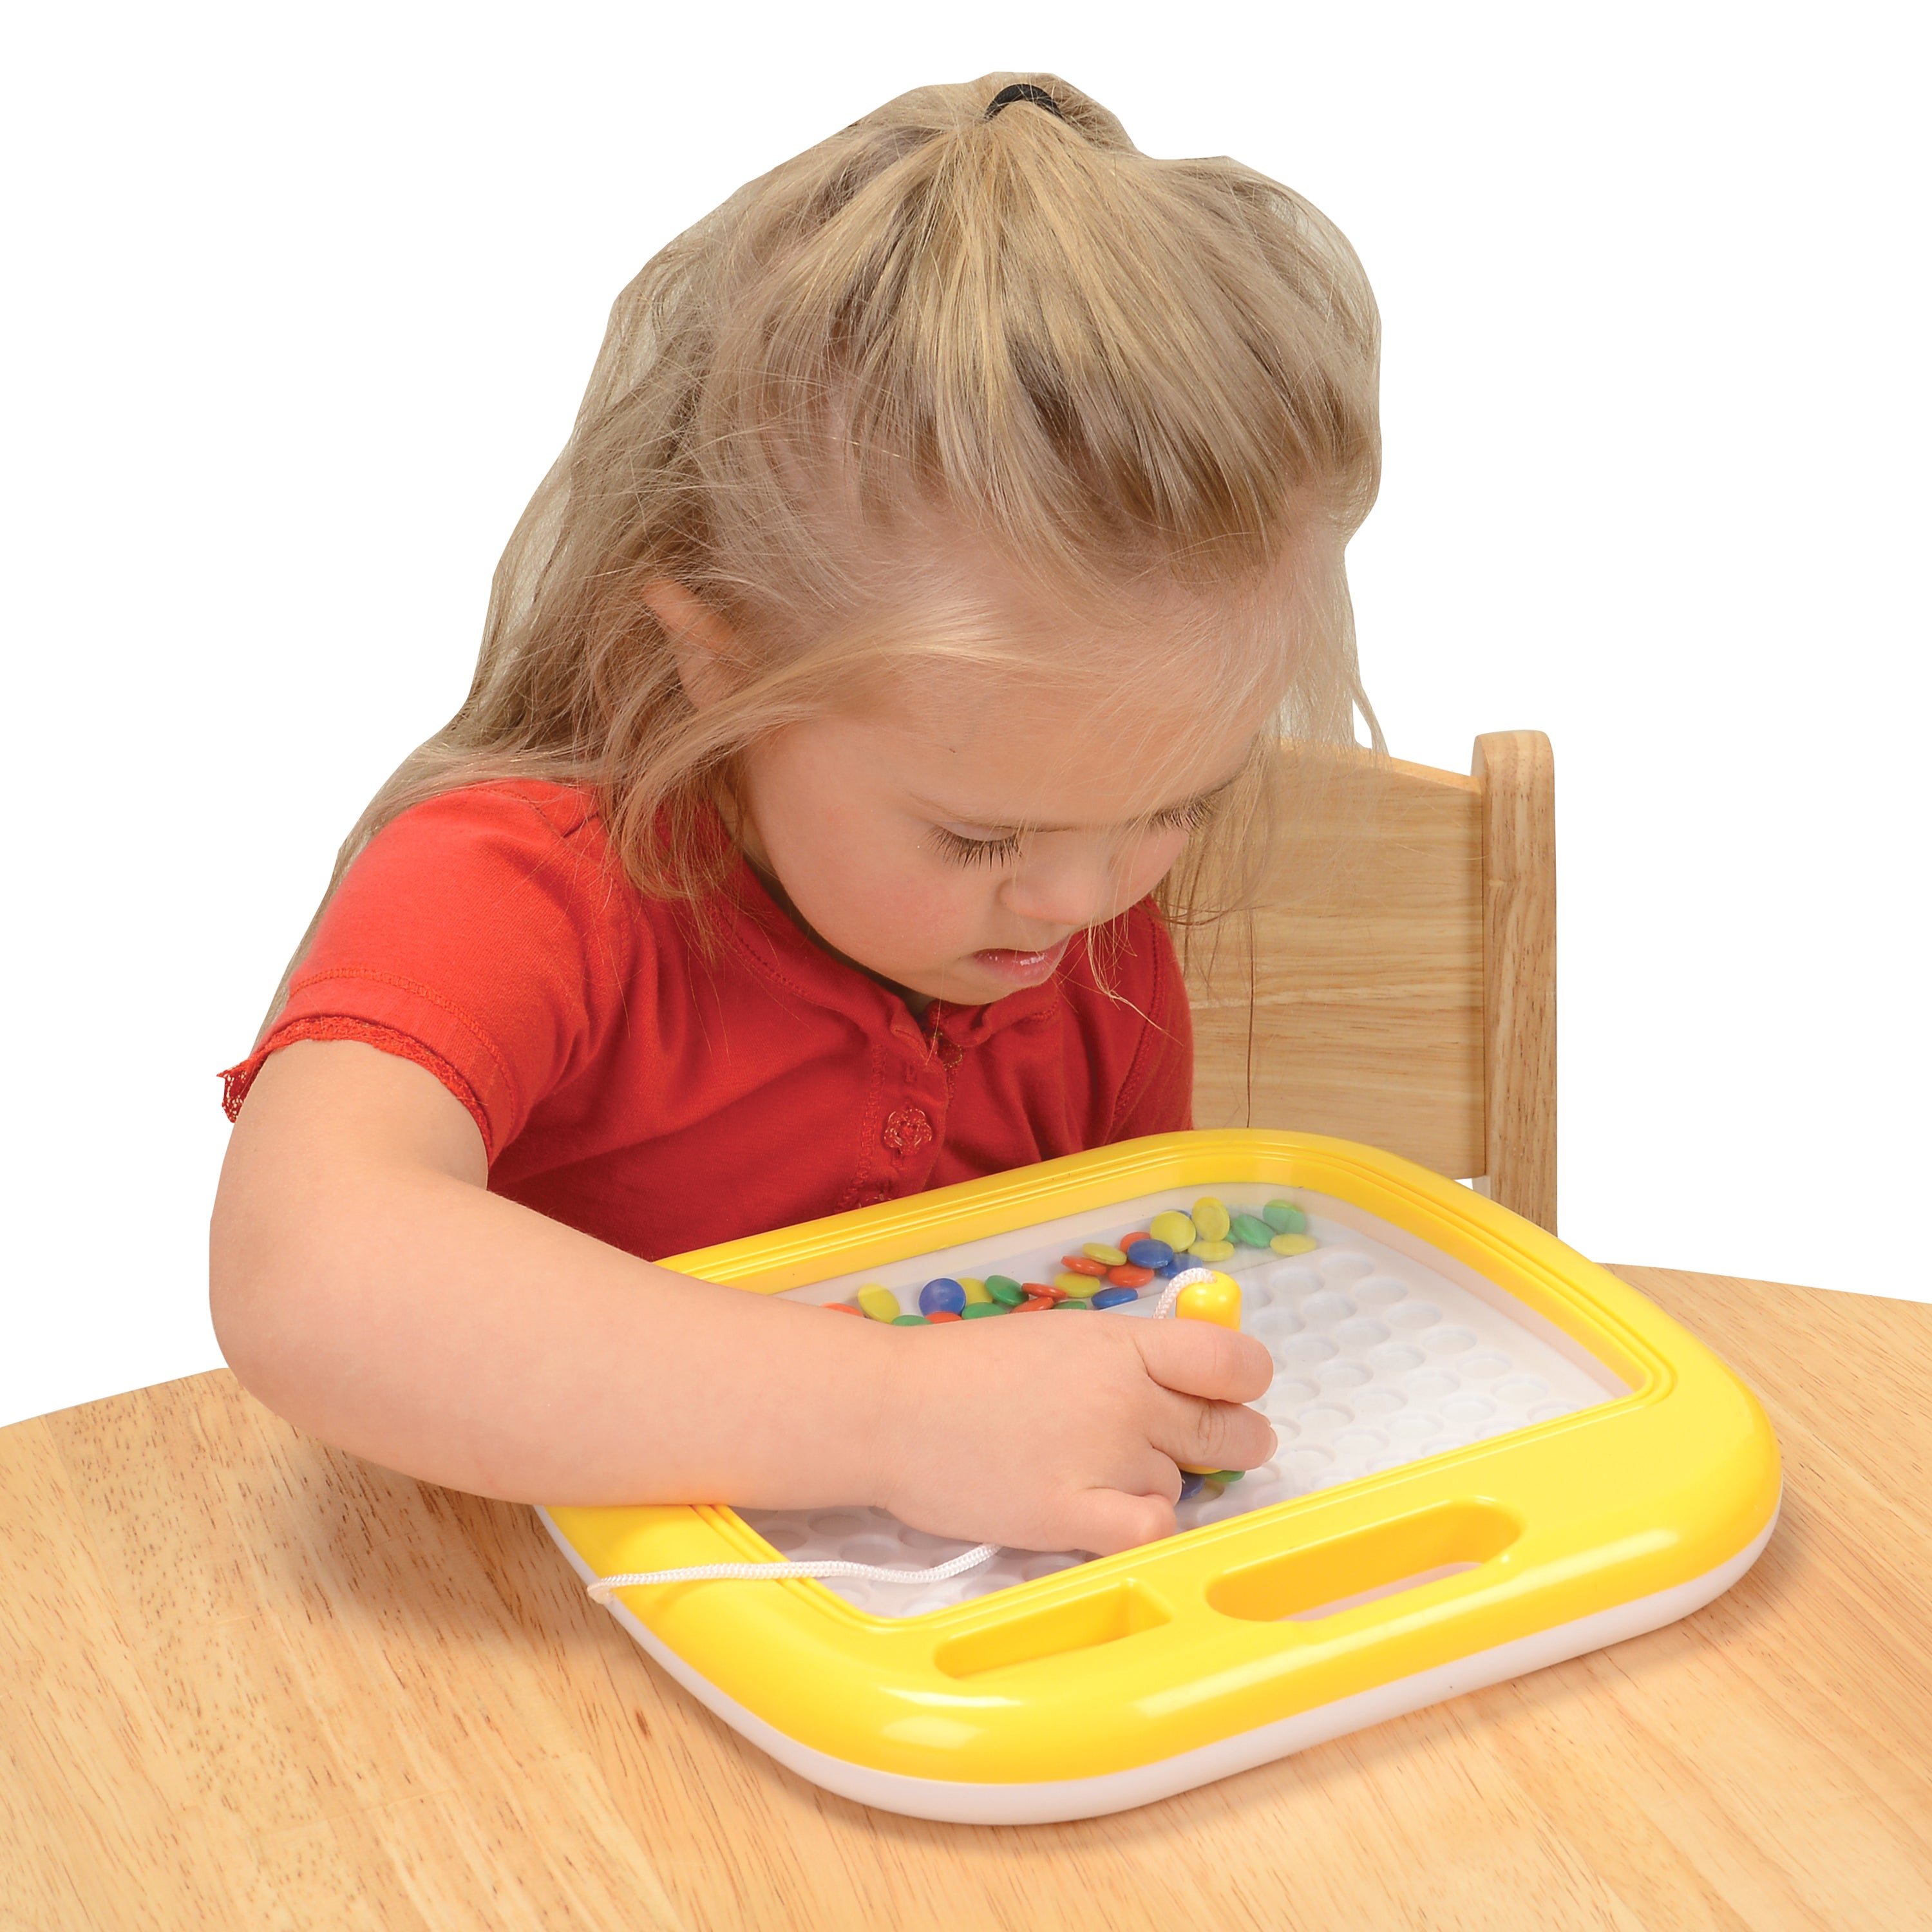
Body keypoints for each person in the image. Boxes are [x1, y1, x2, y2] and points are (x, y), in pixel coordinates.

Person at [209, 73, 1383, 1560]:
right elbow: (304, 1271)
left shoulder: (1084, 946)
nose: (1084, 902)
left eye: (1175, 808)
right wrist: (897, 1415)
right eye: (978, 839)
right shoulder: (519, 891)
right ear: (724, 666)